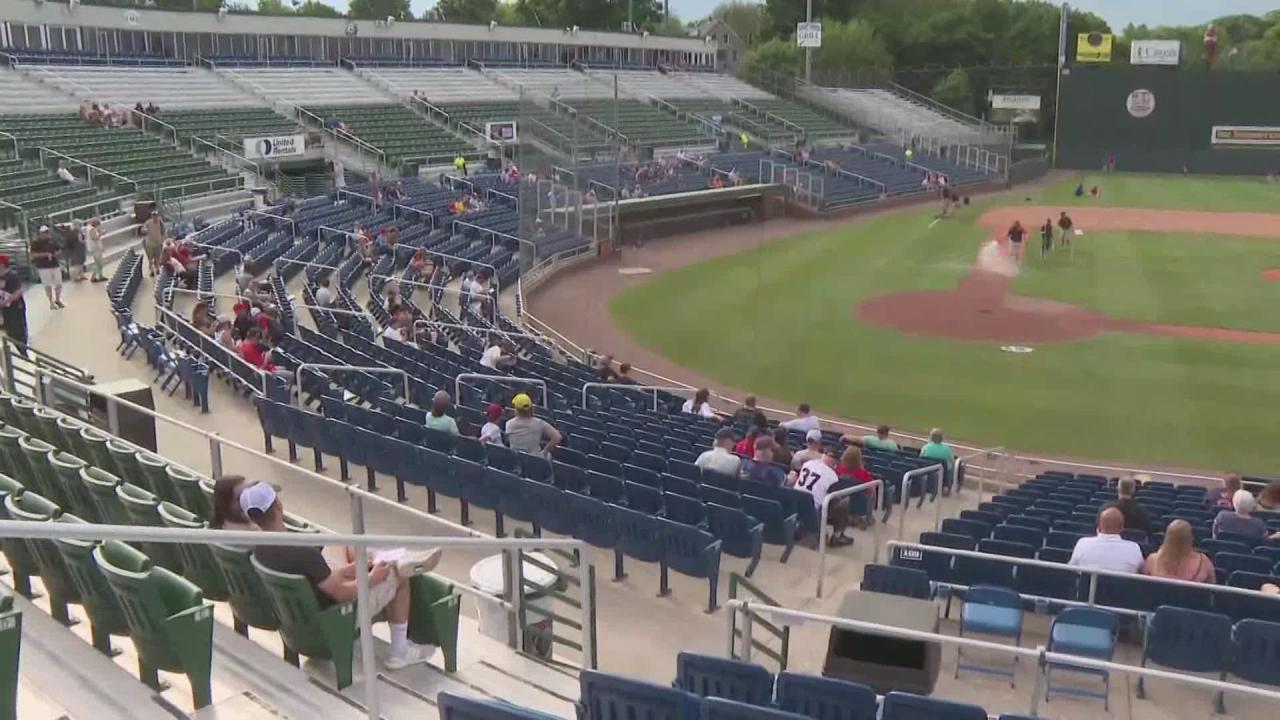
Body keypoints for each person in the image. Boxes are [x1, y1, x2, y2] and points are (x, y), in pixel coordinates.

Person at [244, 482, 441, 670]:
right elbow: (342, 594)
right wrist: (373, 577)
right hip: (337, 615)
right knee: (398, 574)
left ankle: (391, 559)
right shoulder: (303, 553)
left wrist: (357, 568)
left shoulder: (258, 548)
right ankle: (399, 652)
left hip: (301, 618)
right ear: (279, 505)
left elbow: (326, 577)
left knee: (339, 542)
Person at [790, 449, 852, 547]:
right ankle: (837, 536)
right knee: (844, 502)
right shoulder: (832, 476)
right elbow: (834, 500)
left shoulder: (808, 464)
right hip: (812, 511)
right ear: (835, 462)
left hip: (793, 502)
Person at [1068, 507, 1145, 574]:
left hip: (1087, 591)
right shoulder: (1134, 548)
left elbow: (1071, 569)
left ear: (1099, 525)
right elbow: (1142, 572)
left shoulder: (1083, 543)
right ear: (1121, 528)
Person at [1143, 519, 1215, 582]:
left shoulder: (1152, 561)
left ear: (1166, 538)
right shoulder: (1203, 562)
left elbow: (1142, 587)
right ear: (1190, 538)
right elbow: (1213, 588)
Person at [1213, 490, 1279, 542]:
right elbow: (1266, 541)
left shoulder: (1222, 516)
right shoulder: (1258, 524)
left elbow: (1215, 534)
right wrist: (1274, 536)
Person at [29, 226, 64, 310]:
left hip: (55, 264)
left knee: (58, 284)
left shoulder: (53, 241)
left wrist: (57, 253)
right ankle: (51, 302)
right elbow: (33, 254)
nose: (47, 234)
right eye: (45, 233)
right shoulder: (36, 243)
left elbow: (59, 249)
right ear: (40, 234)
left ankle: (58, 299)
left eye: (47, 232)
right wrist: (45, 254)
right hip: (43, 266)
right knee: (47, 285)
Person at [0, 256, 27, 347]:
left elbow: (18, 292)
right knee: (9, 330)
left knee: (18, 330)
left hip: (15, 307)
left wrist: (6, 301)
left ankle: (23, 349)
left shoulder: (12, 276)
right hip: (5, 309)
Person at [143, 211, 164, 277]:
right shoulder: (148, 222)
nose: (155, 217)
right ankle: (151, 270)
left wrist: (162, 240)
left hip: (158, 243)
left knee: (157, 258)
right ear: (152, 216)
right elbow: (143, 228)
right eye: (154, 215)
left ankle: (157, 269)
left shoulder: (160, 222)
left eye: (156, 215)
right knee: (150, 258)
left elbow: (163, 231)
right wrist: (145, 230)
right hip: (150, 244)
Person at [84, 217, 105, 282]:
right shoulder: (92, 229)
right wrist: (101, 233)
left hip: (94, 248)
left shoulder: (88, 228)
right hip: (95, 248)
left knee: (99, 263)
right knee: (98, 263)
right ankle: (94, 277)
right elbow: (94, 238)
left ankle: (100, 275)